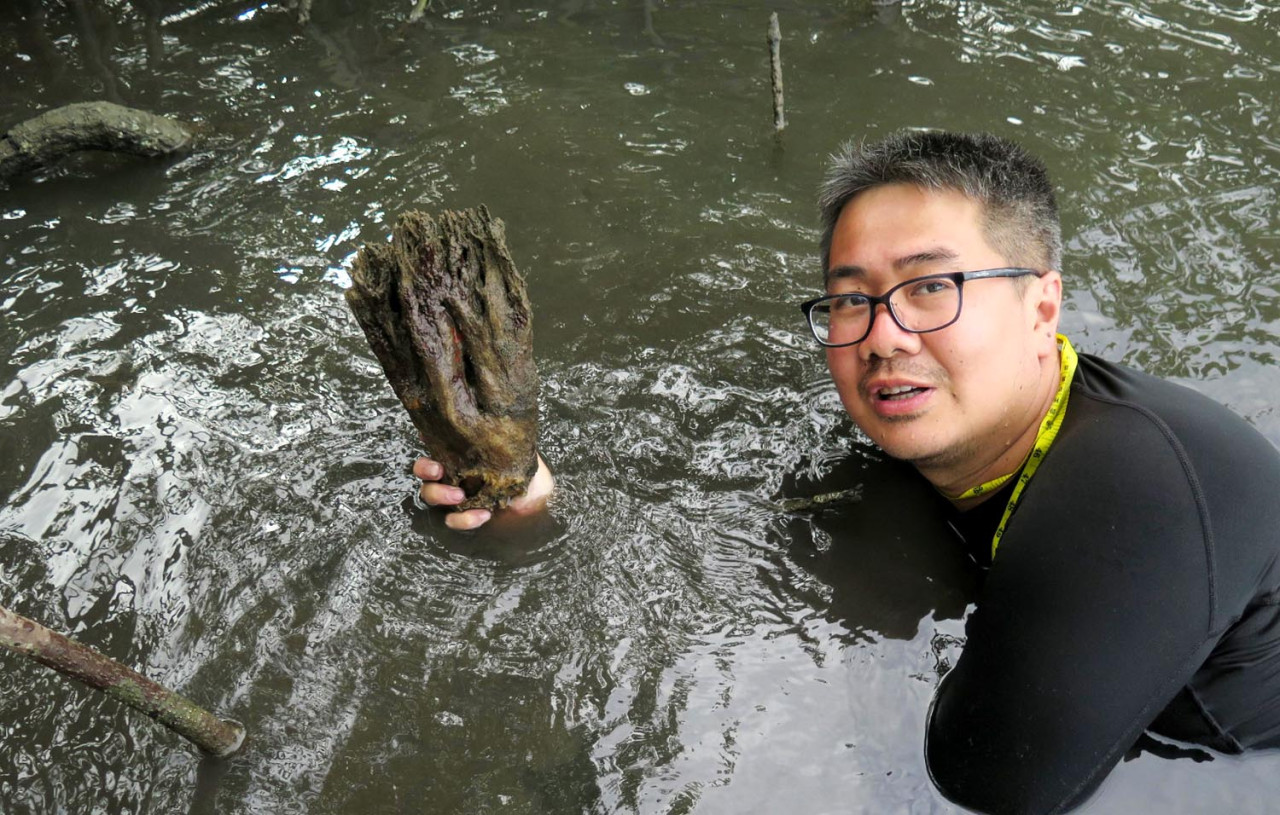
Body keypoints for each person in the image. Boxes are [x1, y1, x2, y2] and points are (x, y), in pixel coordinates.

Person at [416, 130, 1280, 814]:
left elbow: (992, 782)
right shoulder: (900, 462)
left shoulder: (1138, 484)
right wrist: (526, 505)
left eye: (931, 286)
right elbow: (709, 568)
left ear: (1041, 302)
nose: (883, 334)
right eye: (848, 298)